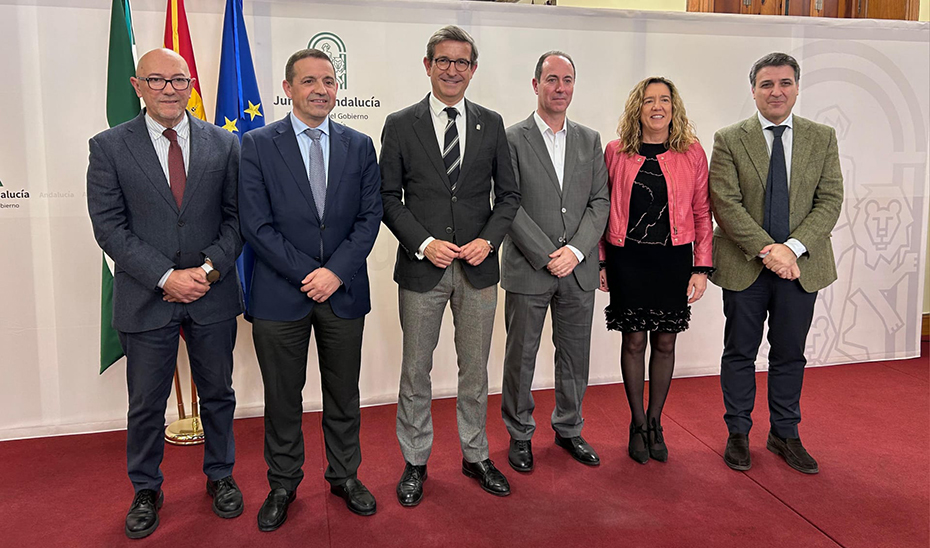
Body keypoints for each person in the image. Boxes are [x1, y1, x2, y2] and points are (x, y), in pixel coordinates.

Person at [87, 48, 243, 539]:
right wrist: (165, 277)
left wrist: (208, 269)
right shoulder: (109, 146)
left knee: (218, 393)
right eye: (157, 80)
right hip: (146, 297)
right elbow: (109, 228)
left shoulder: (225, 143)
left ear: (191, 84)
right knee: (146, 403)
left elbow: (239, 219)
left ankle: (220, 475)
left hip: (212, 295)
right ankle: (146, 488)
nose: (170, 89)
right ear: (137, 86)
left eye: (179, 80)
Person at [239, 48, 383, 529]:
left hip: (343, 292)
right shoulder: (257, 143)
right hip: (281, 294)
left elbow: (369, 218)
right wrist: (309, 274)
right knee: (283, 397)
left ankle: (345, 476)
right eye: (309, 81)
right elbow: (255, 224)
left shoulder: (360, 144)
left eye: (329, 80)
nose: (321, 89)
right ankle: (283, 483)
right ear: (288, 89)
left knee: (344, 393)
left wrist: (335, 273)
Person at [379, 25, 520, 505]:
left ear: (473, 70)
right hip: (423, 270)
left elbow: (509, 196)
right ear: (427, 65)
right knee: (415, 371)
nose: (452, 70)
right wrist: (422, 243)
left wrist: (488, 240)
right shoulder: (400, 124)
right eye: (443, 60)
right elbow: (387, 198)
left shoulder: (492, 122)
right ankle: (415, 462)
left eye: (462, 62)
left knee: (475, 371)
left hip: (478, 271)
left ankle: (475, 454)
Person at [709, 52, 843, 475]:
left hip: (801, 269)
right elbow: (725, 205)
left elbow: (831, 200)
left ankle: (785, 433)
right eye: (766, 84)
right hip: (746, 265)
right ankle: (738, 432)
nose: (776, 91)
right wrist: (771, 251)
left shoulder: (821, 137)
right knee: (740, 352)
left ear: (797, 89)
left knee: (790, 354)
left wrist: (795, 248)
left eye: (785, 83)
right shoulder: (730, 138)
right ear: (753, 91)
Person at [500, 51, 610, 473]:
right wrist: (548, 255)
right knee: (520, 355)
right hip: (530, 268)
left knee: (574, 355)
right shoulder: (511, 138)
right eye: (551, 80)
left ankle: (568, 428)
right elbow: (508, 204)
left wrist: (577, 251)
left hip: (578, 270)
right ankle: (520, 432)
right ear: (535, 84)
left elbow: (599, 202)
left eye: (567, 80)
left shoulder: (590, 139)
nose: (560, 88)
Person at [598, 76, 713, 465]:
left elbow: (702, 211)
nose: (657, 106)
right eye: (649, 100)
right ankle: (635, 423)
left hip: (673, 260)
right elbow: (600, 208)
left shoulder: (692, 152)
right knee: (633, 341)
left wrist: (702, 267)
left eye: (664, 100)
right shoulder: (616, 151)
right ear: (638, 108)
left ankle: (655, 422)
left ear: (674, 107)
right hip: (626, 258)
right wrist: (601, 260)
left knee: (665, 342)